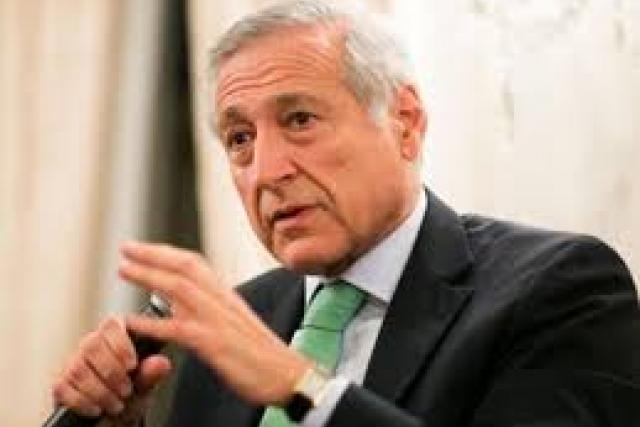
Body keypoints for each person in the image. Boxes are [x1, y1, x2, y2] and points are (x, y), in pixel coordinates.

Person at [51, 1, 640, 426]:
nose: (266, 171)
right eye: (239, 139)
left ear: (405, 123)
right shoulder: (241, 322)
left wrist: (300, 389)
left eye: (300, 120)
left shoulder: (559, 290)